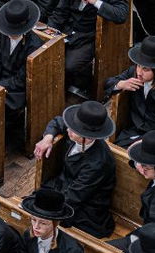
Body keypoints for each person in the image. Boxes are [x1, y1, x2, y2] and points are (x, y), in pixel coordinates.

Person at [33, 101, 117, 238]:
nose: (67, 130)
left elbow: (75, 196)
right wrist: (48, 137)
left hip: (85, 204)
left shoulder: (98, 163)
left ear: (88, 137)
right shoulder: (75, 133)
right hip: (62, 184)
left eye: (73, 130)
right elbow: (58, 122)